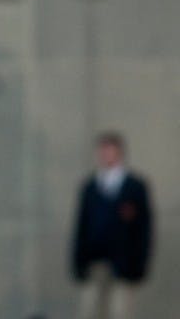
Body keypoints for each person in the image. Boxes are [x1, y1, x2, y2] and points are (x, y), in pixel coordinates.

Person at [71, 131, 153, 319]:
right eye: (103, 151)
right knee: (90, 310)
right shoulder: (90, 187)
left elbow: (144, 229)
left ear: (119, 153)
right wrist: (79, 261)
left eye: (110, 151)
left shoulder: (134, 187)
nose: (106, 155)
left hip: (123, 263)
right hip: (95, 262)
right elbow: (81, 226)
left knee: (120, 312)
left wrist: (139, 263)